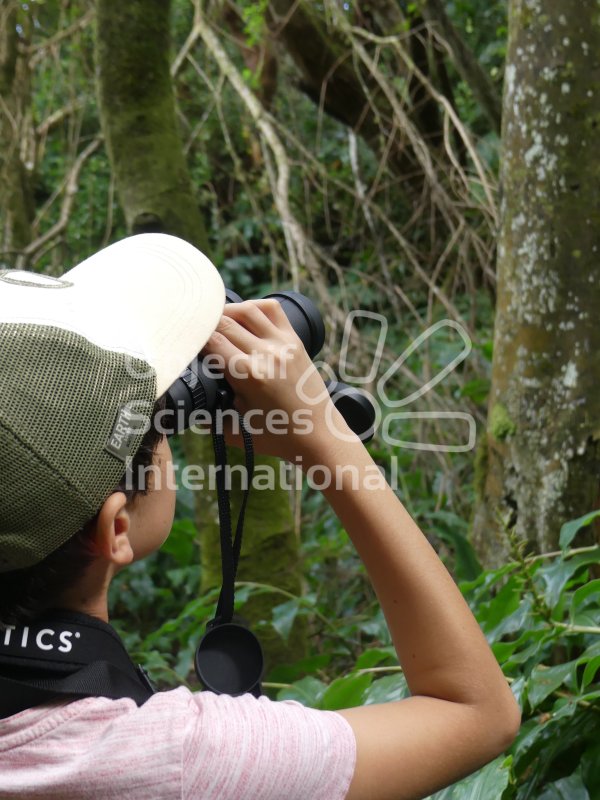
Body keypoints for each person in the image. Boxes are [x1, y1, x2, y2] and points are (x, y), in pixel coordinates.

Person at [0, 233, 520, 799]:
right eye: (156, 424)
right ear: (115, 528)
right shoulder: (168, 764)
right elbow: (474, 711)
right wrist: (325, 438)